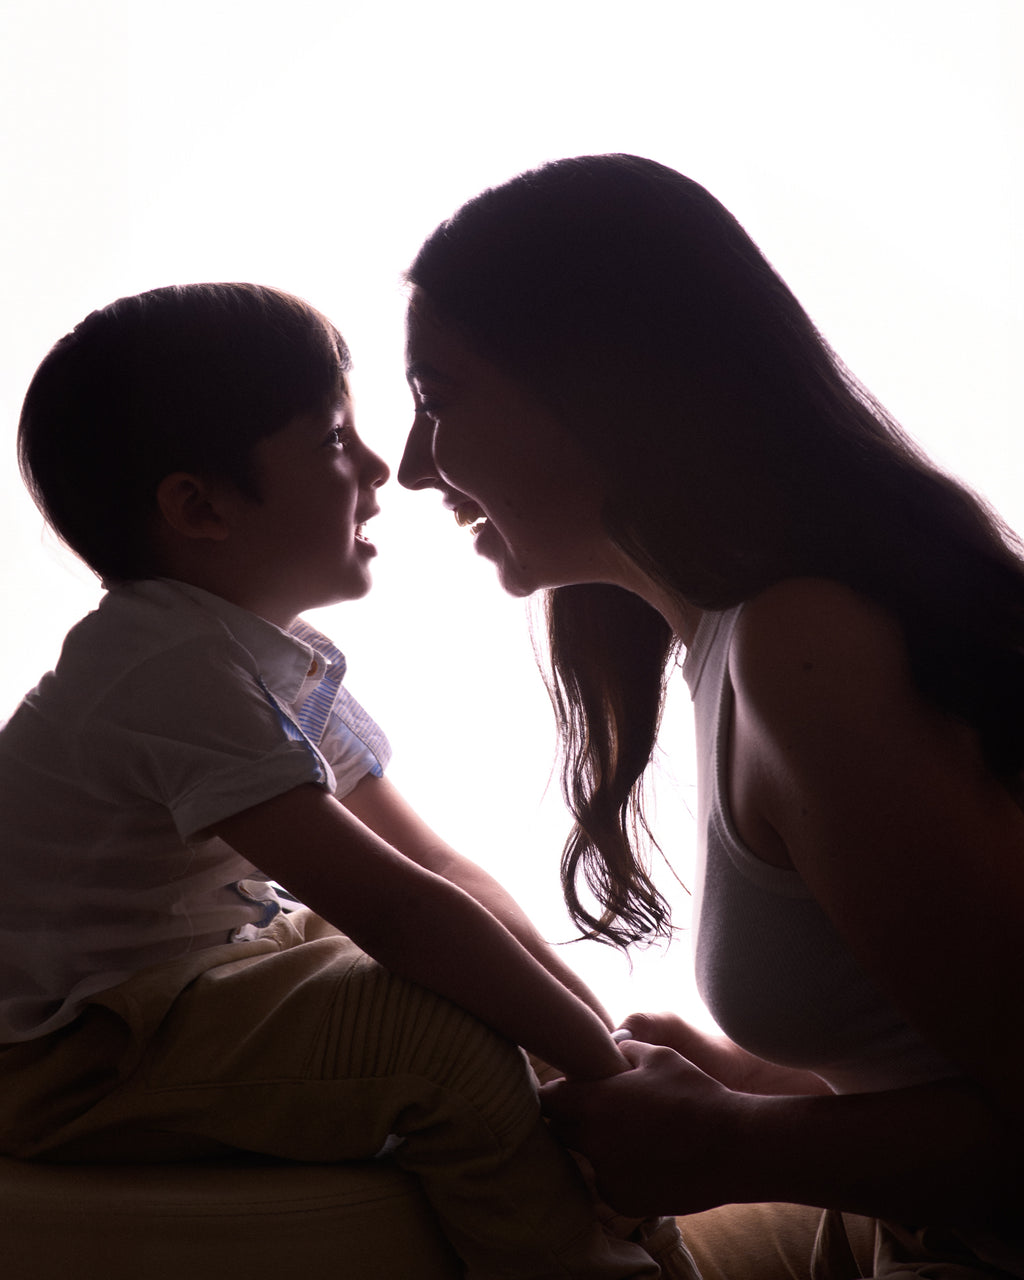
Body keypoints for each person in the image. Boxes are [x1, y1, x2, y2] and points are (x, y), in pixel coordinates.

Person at [397, 154, 1024, 1278]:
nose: (408, 467)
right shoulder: (735, 645)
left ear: (595, 389)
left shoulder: (805, 647)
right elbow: (946, 1063)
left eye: (437, 399)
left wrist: (735, 1142)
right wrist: (750, 1086)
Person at [0, 282, 695, 1278]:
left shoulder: (270, 655)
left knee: (473, 972)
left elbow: (438, 870)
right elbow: (398, 910)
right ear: (198, 505)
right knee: (435, 1038)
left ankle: (647, 1223)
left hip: (173, 984)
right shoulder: (165, 665)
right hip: (64, 1054)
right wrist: (600, 1065)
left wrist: (596, 1042)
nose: (379, 468)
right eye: (334, 440)